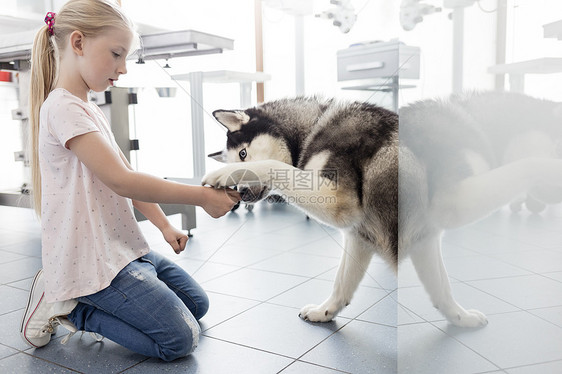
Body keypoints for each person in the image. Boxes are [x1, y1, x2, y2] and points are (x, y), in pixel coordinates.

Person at [20, 0, 239, 362]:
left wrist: (166, 227)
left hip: (121, 250)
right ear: (78, 43)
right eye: (116, 54)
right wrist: (201, 196)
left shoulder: (88, 107)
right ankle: (72, 307)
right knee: (180, 339)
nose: (122, 69)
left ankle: (99, 290)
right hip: (89, 261)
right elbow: (122, 181)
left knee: (197, 305)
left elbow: (127, 175)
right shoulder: (61, 108)